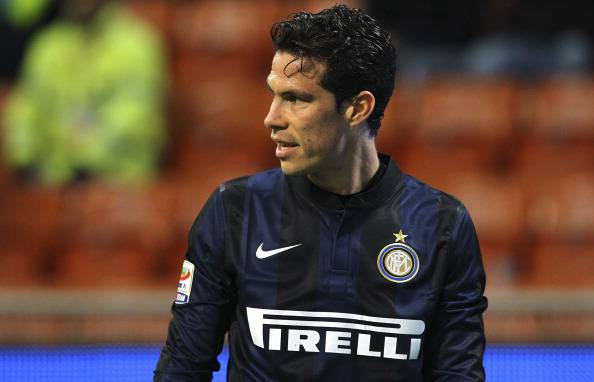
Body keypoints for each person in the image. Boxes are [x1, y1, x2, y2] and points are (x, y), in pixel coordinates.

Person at [155, 4, 487, 381]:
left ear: (358, 108)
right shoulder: (235, 210)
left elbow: (457, 375)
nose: (272, 117)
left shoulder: (443, 224)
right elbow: (182, 367)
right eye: (274, 94)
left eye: (296, 99)